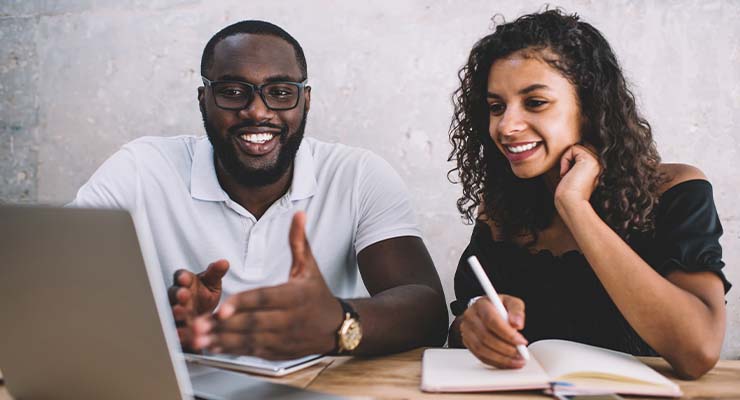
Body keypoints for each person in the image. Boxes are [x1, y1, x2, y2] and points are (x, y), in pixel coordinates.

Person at [71, 20, 448, 359]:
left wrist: (335, 324)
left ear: (306, 100)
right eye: (233, 92)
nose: (257, 111)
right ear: (203, 100)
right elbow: (55, 281)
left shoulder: (358, 176)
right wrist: (165, 322)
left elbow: (427, 312)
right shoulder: (141, 168)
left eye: (280, 92)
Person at [446, 9, 731, 379]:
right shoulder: (501, 209)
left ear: (590, 106)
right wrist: (472, 326)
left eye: (535, 102)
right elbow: (463, 327)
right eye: (496, 107)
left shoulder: (676, 192)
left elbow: (698, 351)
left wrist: (574, 206)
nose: (506, 125)